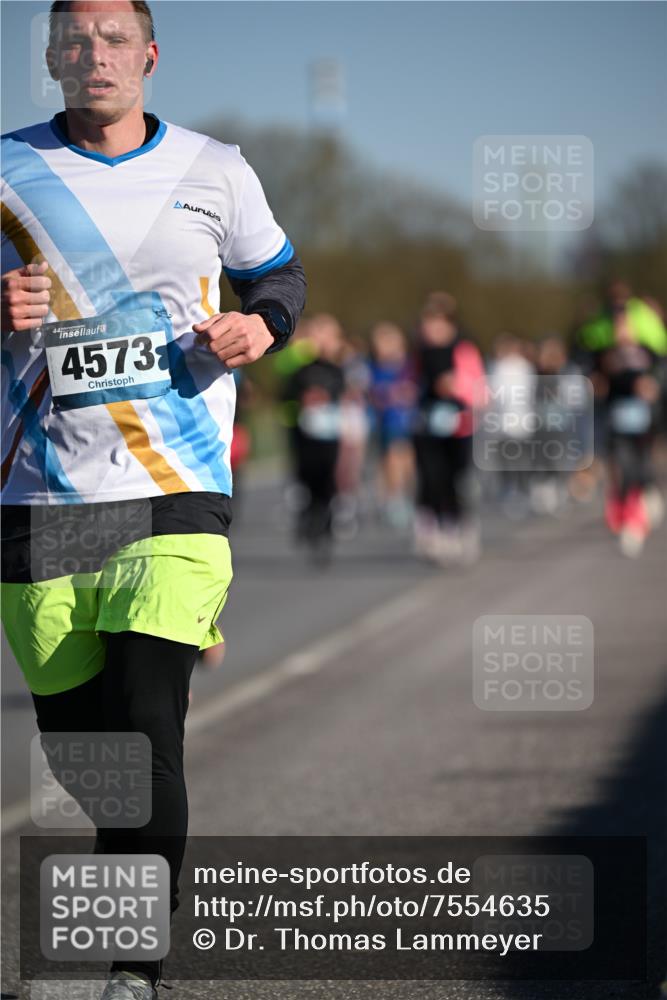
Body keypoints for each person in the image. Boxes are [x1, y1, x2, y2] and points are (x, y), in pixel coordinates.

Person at [0, 3, 306, 997]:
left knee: (143, 727)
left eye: (114, 39)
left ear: (149, 56)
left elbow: (279, 277)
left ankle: (135, 967)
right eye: (74, 41)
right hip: (41, 493)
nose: (94, 56)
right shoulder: (5, 170)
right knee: (88, 753)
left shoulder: (215, 169)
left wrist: (261, 328)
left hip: (175, 486)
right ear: (49, 57)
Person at [412, 292, 485, 565]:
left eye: (438, 322)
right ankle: (435, 530)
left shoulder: (463, 349)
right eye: (428, 322)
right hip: (427, 424)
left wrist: (456, 387)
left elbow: (479, 390)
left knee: (457, 480)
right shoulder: (419, 352)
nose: (432, 328)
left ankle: (460, 528)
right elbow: (410, 384)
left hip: (458, 426)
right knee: (432, 478)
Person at [282, 314, 345, 560]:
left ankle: (325, 521)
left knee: (327, 478)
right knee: (305, 475)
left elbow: (344, 389)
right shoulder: (299, 364)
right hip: (302, 428)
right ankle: (308, 518)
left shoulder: (337, 365)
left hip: (329, 431)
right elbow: (286, 388)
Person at [367, 321, 416, 528]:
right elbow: (369, 392)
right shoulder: (374, 367)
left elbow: (417, 388)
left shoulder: (409, 366)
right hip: (385, 420)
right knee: (390, 459)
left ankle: (403, 494)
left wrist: (407, 393)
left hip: (409, 419)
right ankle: (392, 498)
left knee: (406, 459)